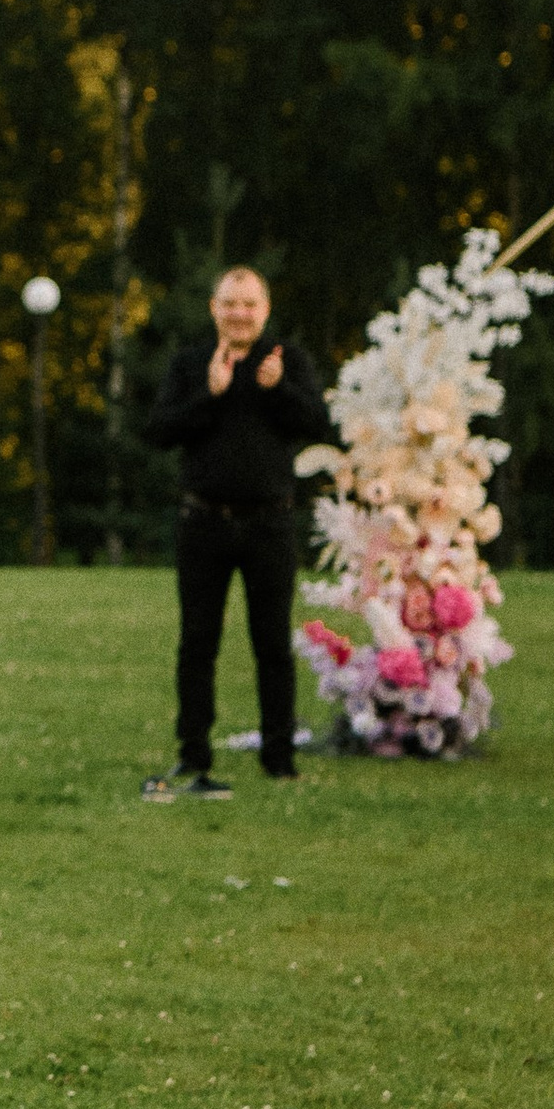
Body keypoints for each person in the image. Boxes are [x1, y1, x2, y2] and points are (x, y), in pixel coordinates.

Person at [142, 265, 330, 798]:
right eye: (230, 303)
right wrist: (210, 393)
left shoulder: (286, 361)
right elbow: (158, 430)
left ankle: (279, 757)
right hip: (203, 522)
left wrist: (277, 391)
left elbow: (316, 423)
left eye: (249, 304)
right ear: (214, 308)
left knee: (272, 644)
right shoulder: (191, 363)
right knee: (197, 643)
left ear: (265, 309)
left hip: (270, 524)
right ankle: (193, 754)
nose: (239, 314)